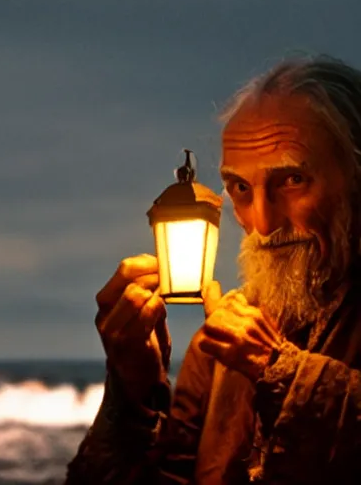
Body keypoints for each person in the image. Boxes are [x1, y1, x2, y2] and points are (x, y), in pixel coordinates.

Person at [66, 54, 361, 484]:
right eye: (241, 188)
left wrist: (277, 369)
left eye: (292, 180)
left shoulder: (248, 342)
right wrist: (131, 395)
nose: (261, 222)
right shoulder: (224, 343)